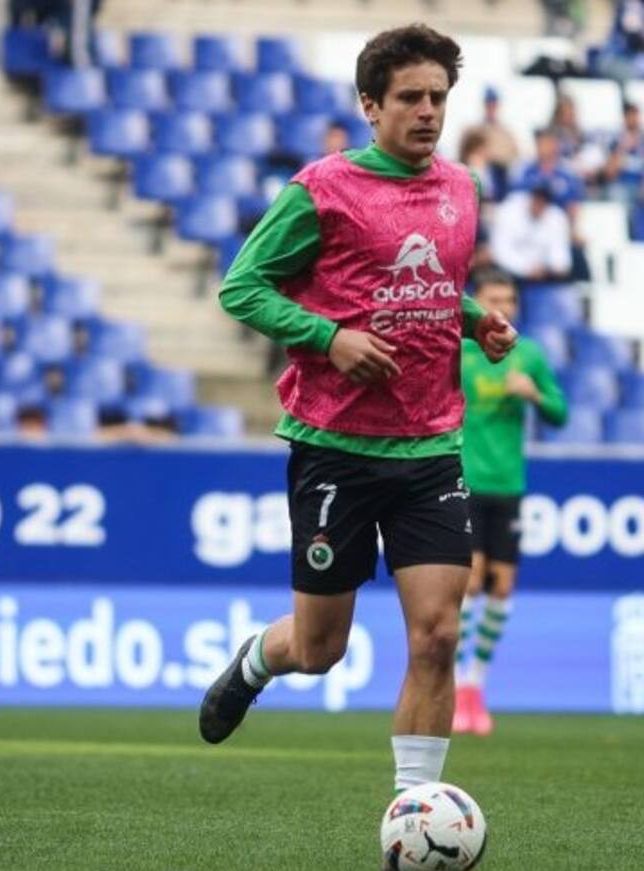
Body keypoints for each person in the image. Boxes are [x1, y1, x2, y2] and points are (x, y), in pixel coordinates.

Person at [201, 24, 517, 820]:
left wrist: (474, 321)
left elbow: (427, 285)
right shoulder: (323, 188)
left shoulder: (461, 189)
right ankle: (255, 661)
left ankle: (416, 813)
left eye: (438, 97)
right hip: (335, 448)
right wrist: (329, 338)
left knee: (437, 633)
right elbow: (242, 287)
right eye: (409, 97)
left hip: (431, 447)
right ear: (370, 106)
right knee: (320, 648)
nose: (427, 111)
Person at [454, 267, 566, 736]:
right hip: (465, 480)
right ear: (477, 303)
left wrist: (535, 395)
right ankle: (455, 686)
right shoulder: (459, 351)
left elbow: (560, 413)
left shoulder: (529, 354)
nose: (504, 308)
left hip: (509, 484)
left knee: (501, 587)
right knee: (471, 580)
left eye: (510, 300)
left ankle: (475, 685)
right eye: (494, 299)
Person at [490, 181, 572, 281]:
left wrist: (555, 267)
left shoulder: (557, 217)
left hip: (544, 274)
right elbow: (500, 251)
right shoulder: (508, 212)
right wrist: (525, 268)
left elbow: (560, 254)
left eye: (544, 200)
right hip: (511, 273)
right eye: (537, 198)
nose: (539, 203)